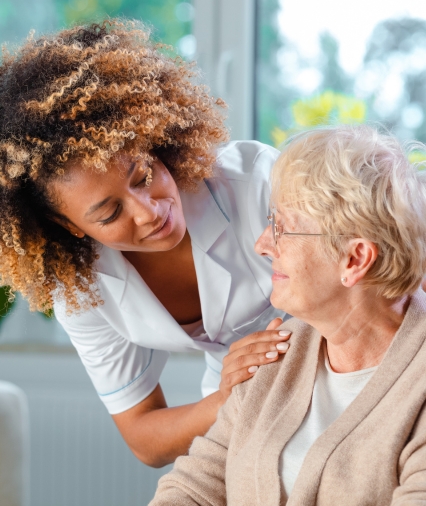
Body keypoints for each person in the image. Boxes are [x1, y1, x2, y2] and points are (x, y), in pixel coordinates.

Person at [0, 20, 292, 468]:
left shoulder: (256, 183)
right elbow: (145, 438)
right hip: (238, 398)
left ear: (156, 142)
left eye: (144, 175)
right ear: (69, 225)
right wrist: (227, 400)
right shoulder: (82, 291)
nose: (149, 211)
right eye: (110, 214)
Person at [150, 125, 426, 505]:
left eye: (282, 227)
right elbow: (194, 486)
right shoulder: (275, 352)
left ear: (355, 258)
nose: (262, 244)